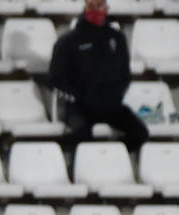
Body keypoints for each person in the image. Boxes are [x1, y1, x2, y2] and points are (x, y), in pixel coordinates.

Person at [48, 0, 149, 152]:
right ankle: (78, 168)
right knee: (81, 133)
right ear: (85, 8)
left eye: (99, 5)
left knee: (140, 133)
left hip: (111, 105)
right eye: (91, 6)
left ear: (106, 8)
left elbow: (124, 75)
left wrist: (113, 97)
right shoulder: (68, 41)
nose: (96, 10)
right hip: (79, 107)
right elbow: (55, 79)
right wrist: (78, 96)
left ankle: (112, 158)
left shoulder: (117, 38)